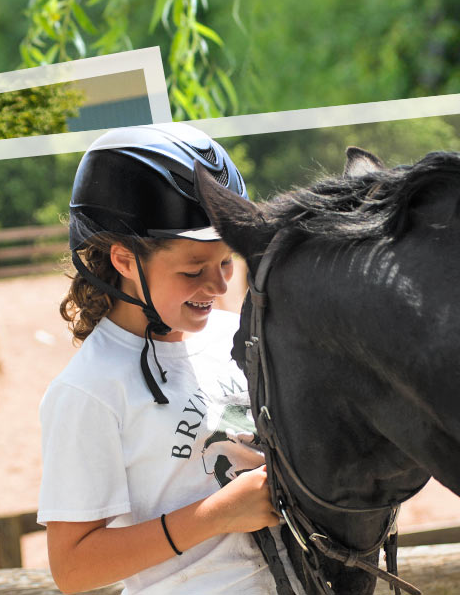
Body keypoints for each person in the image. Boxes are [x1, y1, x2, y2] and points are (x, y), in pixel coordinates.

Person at [37, 123, 280, 594]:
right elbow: (72, 569)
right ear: (124, 260)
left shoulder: (240, 336)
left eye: (227, 262)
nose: (219, 286)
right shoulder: (89, 390)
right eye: (193, 270)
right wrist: (220, 514)